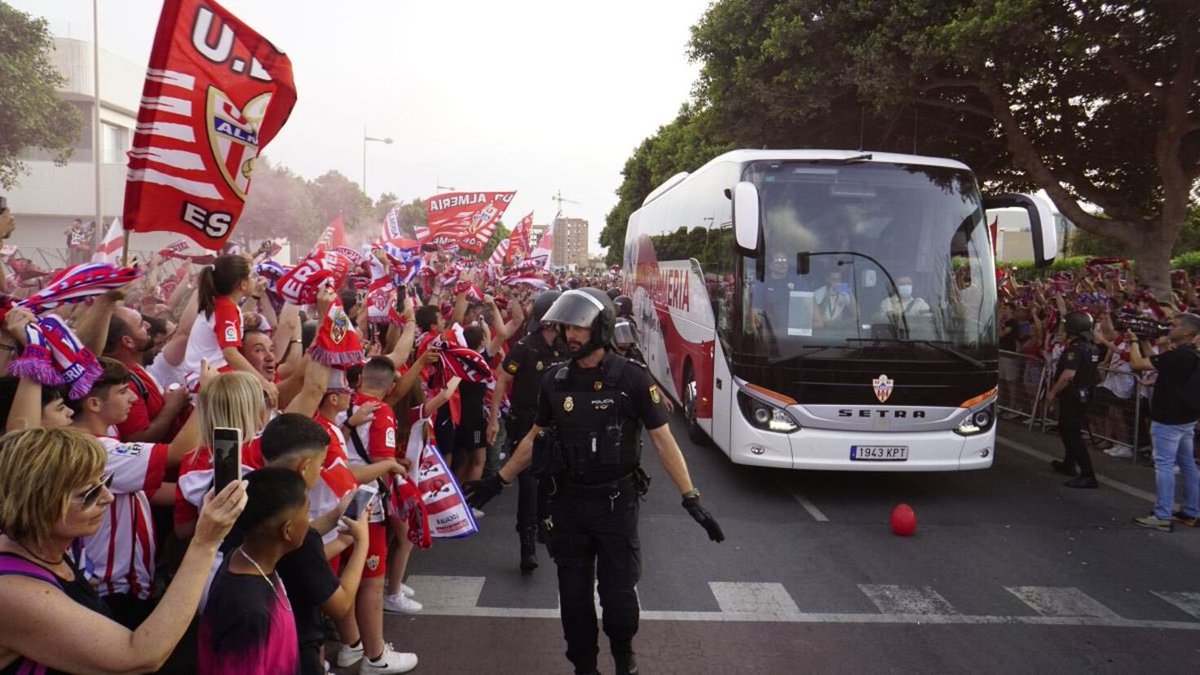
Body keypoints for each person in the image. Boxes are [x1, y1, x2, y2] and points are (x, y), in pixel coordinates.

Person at [465, 288, 724, 675]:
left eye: (579, 328)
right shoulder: (555, 380)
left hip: (616, 506)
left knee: (619, 602)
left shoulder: (632, 380)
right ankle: (585, 668)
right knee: (573, 604)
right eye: (566, 327)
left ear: (600, 328)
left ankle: (623, 654)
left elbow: (662, 439)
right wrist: (497, 481)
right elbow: (535, 438)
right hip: (568, 506)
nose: (570, 335)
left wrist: (691, 497)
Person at [0, 427, 246, 674]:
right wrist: (205, 543)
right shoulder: (11, 591)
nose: (107, 497)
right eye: (89, 493)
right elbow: (139, 656)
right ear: (38, 503)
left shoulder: (43, 547)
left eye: (105, 482)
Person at [199, 468, 308, 674]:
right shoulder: (250, 613)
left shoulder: (242, 555)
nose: (309, 522)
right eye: (307, 513)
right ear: (287, 530)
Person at [486, 289, 565, 573]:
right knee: (529, 485)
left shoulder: (567, 347)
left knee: (552, 480)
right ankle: (527, 543)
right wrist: (493, 420)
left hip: (558, 425)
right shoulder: (524, 348)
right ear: (549, 320)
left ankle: (547, 523)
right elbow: (502, 381)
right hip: (526, 424)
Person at [1126, 313, 1200, 531]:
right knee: (1188, 464)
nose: (1169, 328)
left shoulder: (1177, 356)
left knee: (1164, 465)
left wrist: (1132, 342)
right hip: (1185, 418)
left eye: (1174, 325)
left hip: (1168, 420)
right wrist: (1144, 340)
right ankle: (1191, 511)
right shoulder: (1189, 355)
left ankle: (1162, 514)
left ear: (1187, 332)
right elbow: (1157, 362)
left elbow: (1138, 363)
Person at [185, 254, 279, 406]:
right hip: (206, 379)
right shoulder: (226, 308)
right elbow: (230, 353)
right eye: (252, 275)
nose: (255, 278)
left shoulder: (223, 305)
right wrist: (263, 383)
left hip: (208, 375)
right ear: (242, 284)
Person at [1048, 311, 1101, 488]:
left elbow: (1068, 375)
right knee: (1066, 428)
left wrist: (1052, 392)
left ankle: (1088, 475)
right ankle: (1068, 463)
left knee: (1072, 434)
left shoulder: (1077, 348)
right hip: (1081, 395)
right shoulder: (1091, 346)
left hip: (1073, 395)